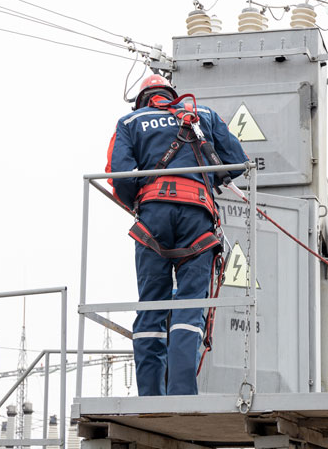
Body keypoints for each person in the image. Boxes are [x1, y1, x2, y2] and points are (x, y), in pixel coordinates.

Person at [106, 74, 247, 396]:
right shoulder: (204, 116)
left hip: (152, 218)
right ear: (171, 94)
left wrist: (139, 204)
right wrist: (207, 183)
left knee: (152, 305)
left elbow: (121, 175)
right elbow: (237, 162)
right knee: (190, 305)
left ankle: (150, 396)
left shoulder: (130, 121)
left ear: (142, 99)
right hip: (197, 215)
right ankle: (182, 392)